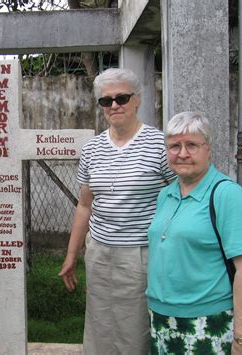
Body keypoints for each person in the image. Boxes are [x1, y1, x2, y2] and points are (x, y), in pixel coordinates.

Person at [59, 68, 175, 354]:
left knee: (134, 329)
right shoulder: (92, 149)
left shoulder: (160, 145)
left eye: (121, 98)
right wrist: (72, 255)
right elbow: (85, 205)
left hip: (140, 253)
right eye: (106, 100)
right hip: (99, 252)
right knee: (99, 325)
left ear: (137, 100)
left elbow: (178, 200)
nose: (114, 106)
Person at [146, 112, 242, 354]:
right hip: (162, 320)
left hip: (208, 322)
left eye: (192, 145)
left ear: (208, 149)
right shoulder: (166, 195)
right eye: (174, 146)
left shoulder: (227, 195)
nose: (182, 153)